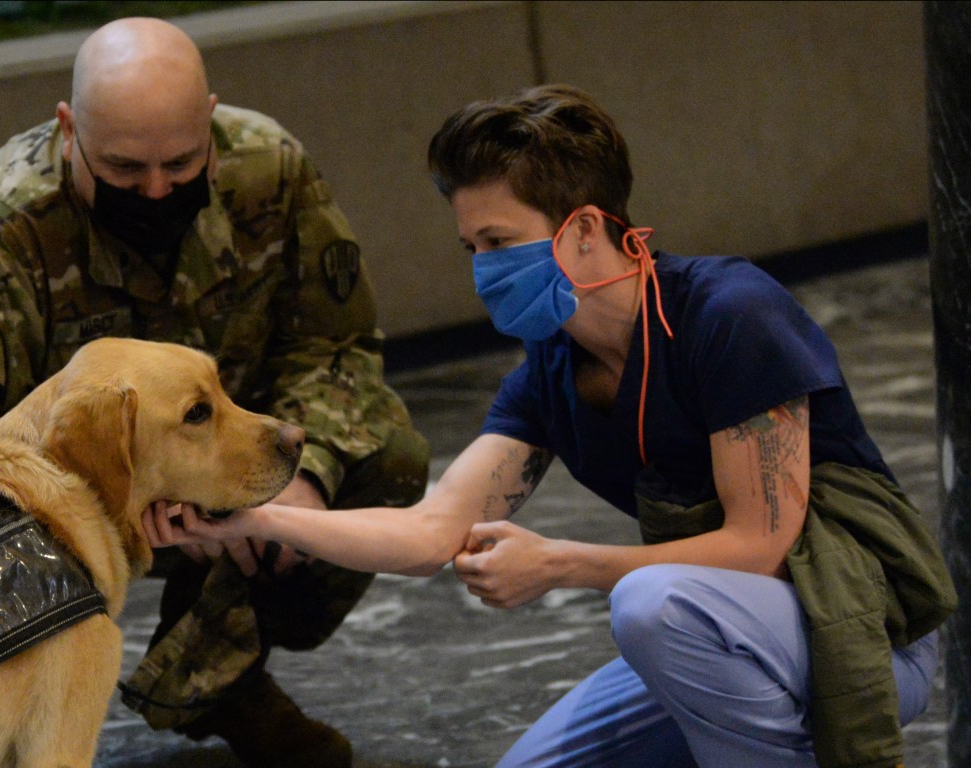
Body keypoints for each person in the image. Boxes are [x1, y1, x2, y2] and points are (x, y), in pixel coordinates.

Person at [146, 84, 957, 768]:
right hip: (716, 633)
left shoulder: (727, 315)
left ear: (581, 228)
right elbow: (433, 532)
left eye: (498, 242)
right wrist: (252, 519)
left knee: (648, 604)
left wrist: (561, 563)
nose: (482, 268)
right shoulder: (552, 368)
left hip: (858, 629)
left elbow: (759, 546)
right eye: (471, 246)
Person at [0, 17, 429, 767]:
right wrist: (112, 499)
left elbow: (335, 347)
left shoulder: (269, 169)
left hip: (213, 446)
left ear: (211, 121)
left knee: (386, 458)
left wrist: (304, 483)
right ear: (69, 129)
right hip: (53, 483)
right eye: (124, 170)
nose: (157, 189)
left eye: (182, 163)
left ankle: (217, 679)